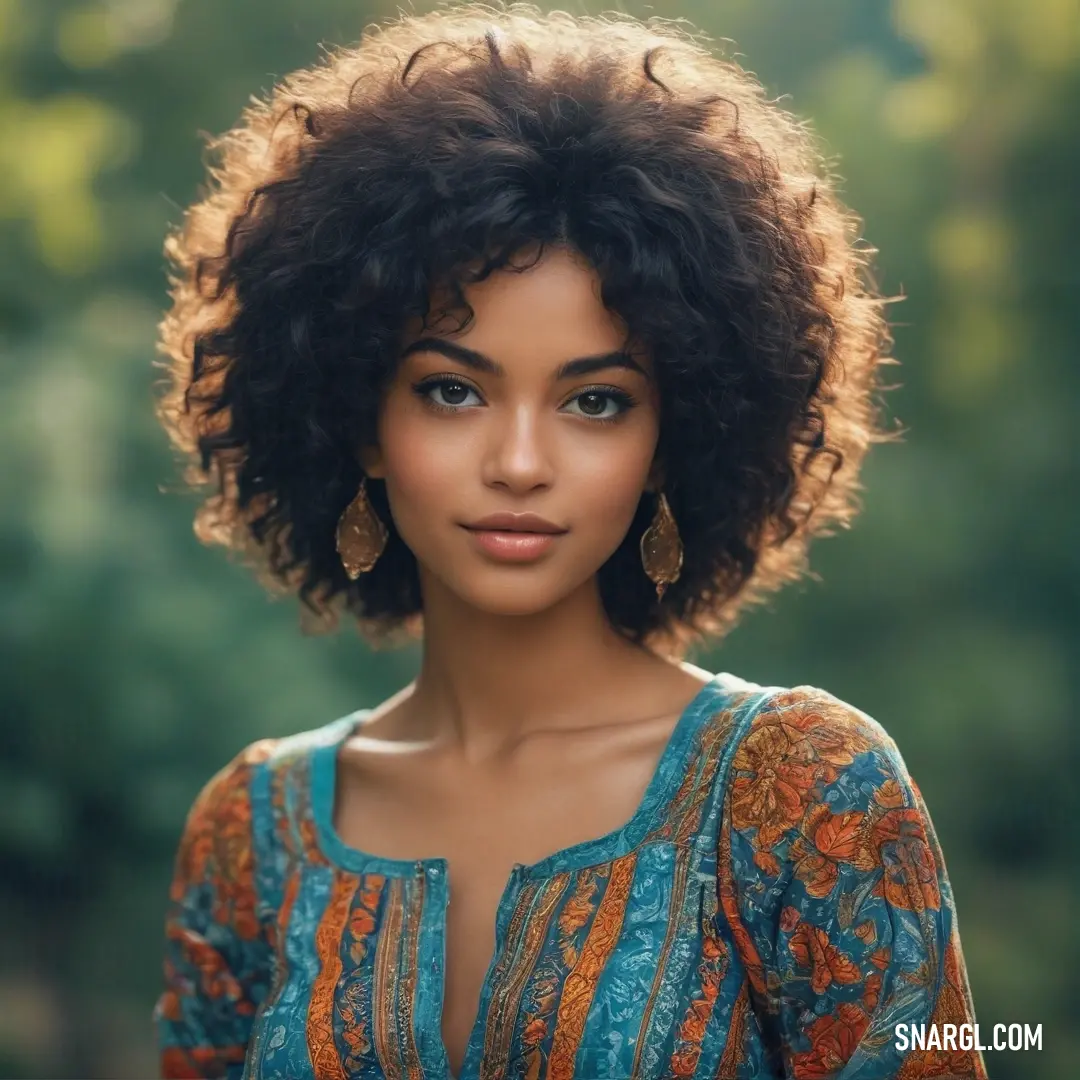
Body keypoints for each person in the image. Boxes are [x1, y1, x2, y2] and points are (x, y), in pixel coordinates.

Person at [150, 3, 987, 1078]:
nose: (520, 463)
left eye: (595, 402)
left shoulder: (806, 789)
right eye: (452, 390)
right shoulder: (250, 838)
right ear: (358, 419)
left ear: (672, 435)